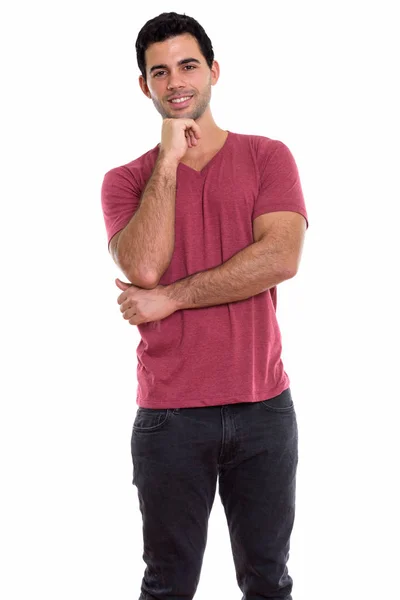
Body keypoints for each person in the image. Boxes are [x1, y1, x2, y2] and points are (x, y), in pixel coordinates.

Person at [101, 11, 308, 600]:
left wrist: (171, 297)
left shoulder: (269, 156)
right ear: (145, 86)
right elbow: (140, 266)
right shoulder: (125, 180)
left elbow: (281, 258)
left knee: (268, 583)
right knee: (168, 587)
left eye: (188, 65)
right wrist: (167, 159)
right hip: (169, 416)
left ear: (213, 71)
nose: (176, 82)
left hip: (264, 408)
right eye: (159, 72)